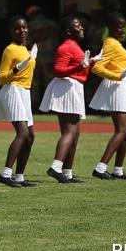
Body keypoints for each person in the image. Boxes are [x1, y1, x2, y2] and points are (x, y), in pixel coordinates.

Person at [40, 16, 94, 184]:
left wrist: (91, 62)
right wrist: (82, 65)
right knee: (69, 132)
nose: (82, 28)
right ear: (69, 31)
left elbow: (80, 68)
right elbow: (58, 70)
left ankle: (67, 172)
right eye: (77, 26)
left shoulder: (75, 46)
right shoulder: (66, 46)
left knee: (75, 134)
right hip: (66, 88)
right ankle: (56, 167)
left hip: (74, 87)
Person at [89, 12, 126, 181]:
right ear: (110, 28)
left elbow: (120, 67)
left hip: (123, 86)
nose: (123, 30)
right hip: (116, 88)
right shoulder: (111, 43)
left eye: (124, 26)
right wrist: (116, 76)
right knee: (122, 129)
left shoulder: (116, 43)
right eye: (119, 27)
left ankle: (118, 169)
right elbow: (96, 67)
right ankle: (101, 167)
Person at [0, 17, 38, 188]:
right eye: (18, 29)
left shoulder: (26, 50)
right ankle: (6, 174)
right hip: (12, 90)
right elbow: (1, 78)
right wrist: (17, 68)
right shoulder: (10, 50)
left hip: (24, 92)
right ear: (12, 32)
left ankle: (19, 176)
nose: (22, 31)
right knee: (23, 133)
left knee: (30, 136)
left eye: (25, 27)